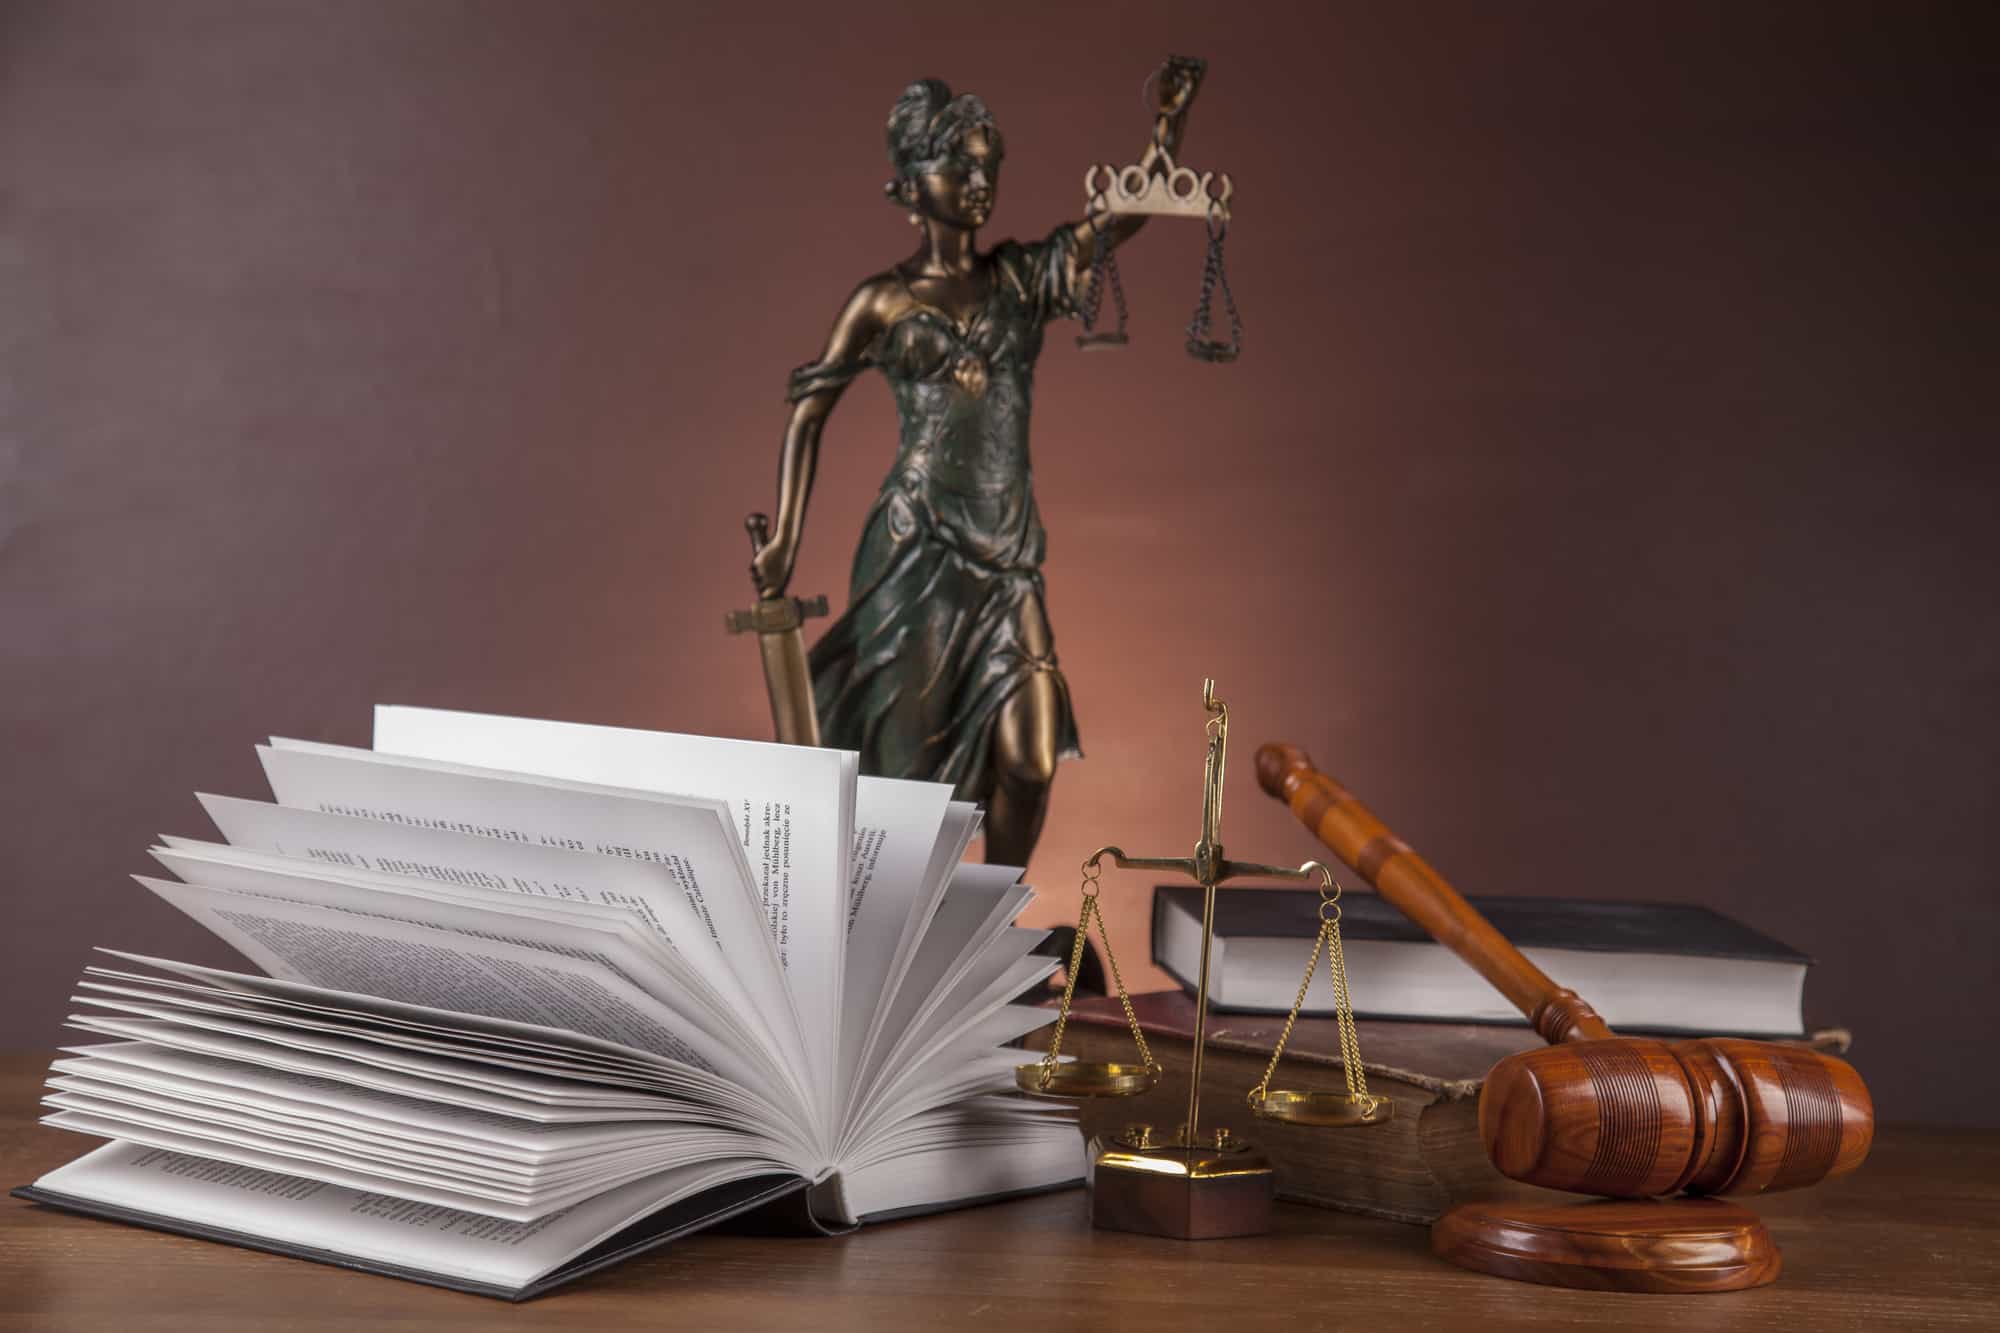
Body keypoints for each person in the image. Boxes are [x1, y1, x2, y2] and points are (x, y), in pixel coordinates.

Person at [751, 65, 1202, 867]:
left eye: (988, 166)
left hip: (1007, 555)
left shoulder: (1019, 283)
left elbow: (1106, 226)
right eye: (960, 167)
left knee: (1029, 757)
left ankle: (988, 922)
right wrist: (785, 535)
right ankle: (904, 931)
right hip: (916, 550)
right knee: (904, 775)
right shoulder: (881, 302)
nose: (978, 183)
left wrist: (1164, 138)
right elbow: (809, 406)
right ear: (912, 185)